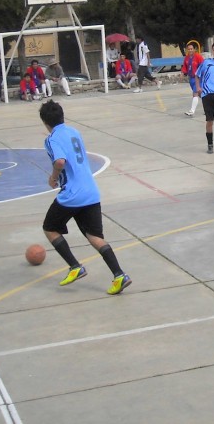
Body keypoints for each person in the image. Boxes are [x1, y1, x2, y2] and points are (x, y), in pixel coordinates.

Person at [39, 100, 131, 294]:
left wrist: (53, 178)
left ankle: (75, 266)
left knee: (49, 228)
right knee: (94, 236)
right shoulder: (74, 131)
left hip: (72, 194)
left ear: (45, 122)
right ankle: (119, 274)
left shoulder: (52, 138)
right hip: (91, 191)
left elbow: (60, 161)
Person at [181, 42, 205, 116]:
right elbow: (185, 67)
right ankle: (210, 107)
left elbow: (203, 66)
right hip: (191, 79)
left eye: (191, 49)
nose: (190, 50)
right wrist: (182, 73)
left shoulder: (198, 57)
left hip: (198, 79)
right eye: (189, 49)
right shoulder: (187, 58)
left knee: (195, 94)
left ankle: (192, 110)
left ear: (194, 49)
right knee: (201, 95)